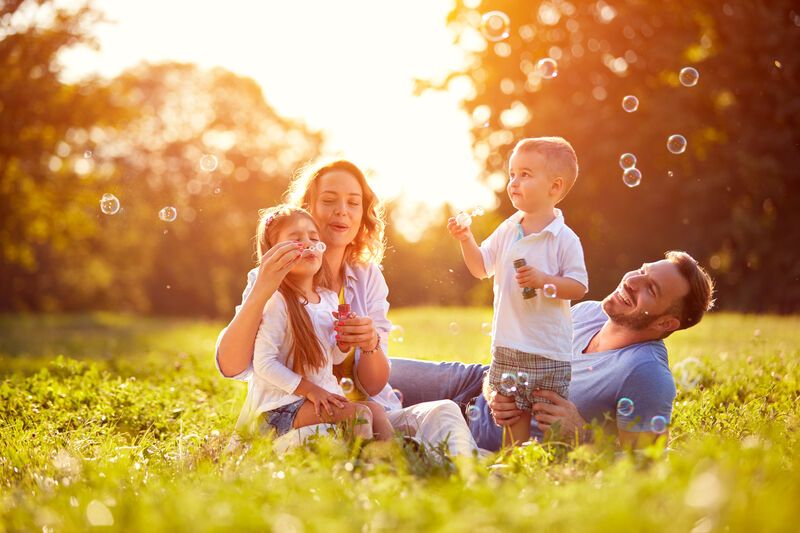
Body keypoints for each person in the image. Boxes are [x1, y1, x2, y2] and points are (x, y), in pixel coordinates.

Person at [216, 160, 477, 455]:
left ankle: (470, 474)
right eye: (329, 200)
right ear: (307, 209)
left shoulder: (366, 277)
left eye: (354, 203)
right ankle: (410, 462)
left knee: (443, 411)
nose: (342, 210)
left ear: (362, 215)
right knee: (348, 433)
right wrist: (262, 290)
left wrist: (369, 343)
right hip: (302, 417)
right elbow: (232, 366)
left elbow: (375, 383)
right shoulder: (272, 279)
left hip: (363, 408)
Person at [388, 251, 715, 450]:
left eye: (651, 289)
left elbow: (645, 467)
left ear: (666, 323)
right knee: (366, 369)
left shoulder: (647, 374)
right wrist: (492, 387)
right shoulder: (588, 312)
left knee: (370, 422)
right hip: (475, 382)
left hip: (487, 432)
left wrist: (582, 436)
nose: (633, 281)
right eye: (642, 271)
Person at [447, 137, 588, 446]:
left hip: (548, 349)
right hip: (509, 343)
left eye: (525, 174)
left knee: (549, 415)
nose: (514, 182)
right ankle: (515, 464)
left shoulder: (563, 238)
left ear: (554, 187)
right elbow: (481, 267)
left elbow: (578, 287)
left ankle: (556, 463)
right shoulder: (509, 229)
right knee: (512, 414)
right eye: (512, 174)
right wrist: (466, 239)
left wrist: (543, 280)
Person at [237, 204, 393, 441]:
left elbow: (333, 359)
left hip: (313, 398)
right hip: (279, 408)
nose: (309, 243)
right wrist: (311, 390)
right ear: (275, 252)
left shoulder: (328, 298)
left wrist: (343, 344)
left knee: (377, 411)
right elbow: (263, 363)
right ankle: (367, 467)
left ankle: (394, 463)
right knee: (359, 414)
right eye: (296, 238)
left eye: (313, 237)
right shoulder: (277, 301)